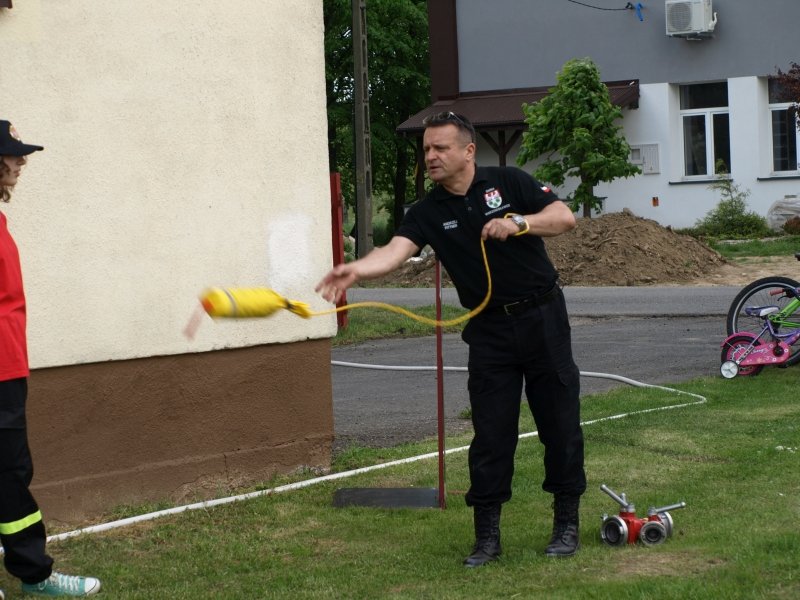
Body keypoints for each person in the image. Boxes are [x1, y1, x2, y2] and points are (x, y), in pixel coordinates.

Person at [316, 112, 585, 566]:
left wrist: (518, 223)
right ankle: (487, 538)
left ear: (468, 151)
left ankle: (566, 523)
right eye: (426, 149)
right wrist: (356, 270)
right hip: (490, 332)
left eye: (440, 148)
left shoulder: (509, 182)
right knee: (491, 434)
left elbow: (563, 217)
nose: (431, 156)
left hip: (543, 318)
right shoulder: (427, 212)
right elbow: (396, 251)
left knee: (560, 424)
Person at [0, 120, 102, 596]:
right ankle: (35, 575)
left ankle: (31, 573)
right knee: (10, 474)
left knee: (10, 473)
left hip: (8, 367)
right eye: (12, 154)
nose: (21, 162)